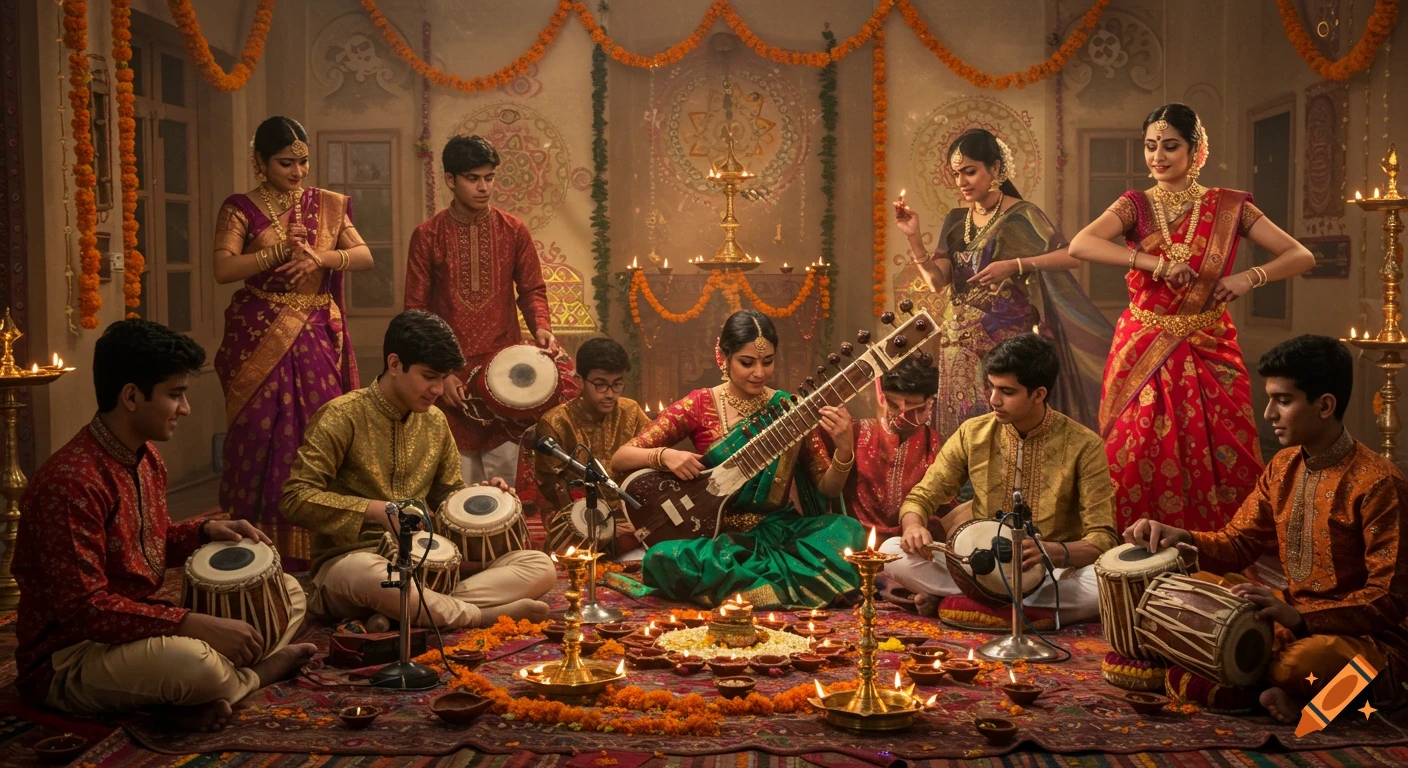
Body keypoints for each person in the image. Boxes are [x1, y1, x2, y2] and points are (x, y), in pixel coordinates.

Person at [14, 320, 314, 731]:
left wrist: (204, 533)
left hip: (140, 629)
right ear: (132, 396)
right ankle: (250, 677)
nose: (186, 409)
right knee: (197, 665)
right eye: (175, 395)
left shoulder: (147, 458)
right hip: (72, 654)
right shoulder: (72, 482)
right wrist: (191, 624)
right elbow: (84, 610)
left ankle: (199, 689)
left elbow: (146, 543)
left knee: (290, 591)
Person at [1125, 335, 1407, 721]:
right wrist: (1183, 536)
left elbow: (1387, 599)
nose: (1269, 413)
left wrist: (1302, 619)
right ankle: (1275, 685)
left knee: (1302, 663)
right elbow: (1238, 543)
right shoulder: (1283, 466)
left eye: (1283, 400)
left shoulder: (1378, 482)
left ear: (1325, 405)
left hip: (1367, 639)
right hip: (1288, 614)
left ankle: (1310, 701)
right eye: (1270, 398)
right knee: (1197, 592)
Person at [1069, 103, 1315, 533]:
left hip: (1208, 343)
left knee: (1224, 445)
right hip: (1143, 344)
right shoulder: (1135, 206)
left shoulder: (1228, 207)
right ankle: (1128, 552)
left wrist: (1248, 278)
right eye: (1150, 147)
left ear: (1196, 149)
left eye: (1169, 146)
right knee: (1139, 446)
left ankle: (1220, 547)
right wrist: (1156, 265)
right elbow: (1081, 245)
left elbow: (1301, 255)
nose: (1157, 157)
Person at [282, 310, 556, 631]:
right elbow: (294, 499)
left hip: (428, 564)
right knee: (374, 578)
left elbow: (448, 495)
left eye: (444, 378)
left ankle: (409, 610)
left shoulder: (435, 421)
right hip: (353, 561)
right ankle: (477, 614)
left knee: (538, 565)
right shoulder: (341, 417)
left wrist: (482, 500)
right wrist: (373, 510)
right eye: (429, 376)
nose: (439, 389)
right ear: (395, 364)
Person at [610, 310, 865, 608]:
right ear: (723, 357)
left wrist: (844, 449)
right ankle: (778, 585)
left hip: (778, 530)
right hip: (719, 536)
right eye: (747, 363)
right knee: (660, 558)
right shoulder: (700, 404)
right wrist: (665, 455)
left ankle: (743, 588)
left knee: (848, 531)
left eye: (767, 361)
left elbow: (827, 488)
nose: (759, 372)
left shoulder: (790, 410)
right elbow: (620, 459)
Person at [212, 116, 372, 570]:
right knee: (260, 433)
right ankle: (255, 548)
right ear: (259, 162)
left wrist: (320, 257)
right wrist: (279, 253)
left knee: (319, 428)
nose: (298, 172)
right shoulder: (239, 207)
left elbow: (364, 256)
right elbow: (223, 269)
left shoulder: (328, 205)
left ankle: (321, 542)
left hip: (316, 330)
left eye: (303, 162)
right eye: (286, 163)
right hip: (257, 332)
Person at [879, 334, 1118, 624]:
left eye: (1007, 391)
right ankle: (1029, 613)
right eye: (991, 387)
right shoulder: (974, 433)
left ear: (1039, 394)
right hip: (977, 566)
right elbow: (922, 496)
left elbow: (1102, 539)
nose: (993, 400)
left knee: (1105, 583)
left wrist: (1050, 552)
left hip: (1049, 573)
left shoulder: (1084, 445)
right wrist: (913, 526)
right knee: (890, 552)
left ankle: (972, 604)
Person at [894, 128, 1112, 437]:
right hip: (955, 351)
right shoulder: (956, 220)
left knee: (1003, 437)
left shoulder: (1022, 215)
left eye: (969, 172)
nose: (961, 182)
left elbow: (1071, 256)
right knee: (961, 440)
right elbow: (936, 281)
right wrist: (913, 237)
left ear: (995, 168)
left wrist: (1015, 265)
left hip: (1003, 349)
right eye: (956, 174)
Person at [405, 134, 566, 486]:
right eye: (473, 178)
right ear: (451, 180)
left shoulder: (513, 230)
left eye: (489, 178)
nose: (483, 187)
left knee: (502, 480)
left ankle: (504, 545)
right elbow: (416, 312)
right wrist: (440, 374)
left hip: (503, 371)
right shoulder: (428, 236)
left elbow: (532, 290)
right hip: (451, 375)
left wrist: (541, 327)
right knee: (457, 483)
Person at [534, 337, 652, 556]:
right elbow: (553, 490)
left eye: (617, 384)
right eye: (600, 384)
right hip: (576, 518)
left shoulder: (631, 412)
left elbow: (649, 469)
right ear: (579, 380)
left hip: (627, 516)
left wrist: (636, 518)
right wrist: (603, 524)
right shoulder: (556, 422)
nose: (610, 394)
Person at [842, 355, 944, 540]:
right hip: (858, 539)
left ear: (930, 403)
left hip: (913, 540)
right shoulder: (856, 432)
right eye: (893, 405)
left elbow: (943, 503)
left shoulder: (934, 443)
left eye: (913, 409)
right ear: (883, 397)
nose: (900, 416)